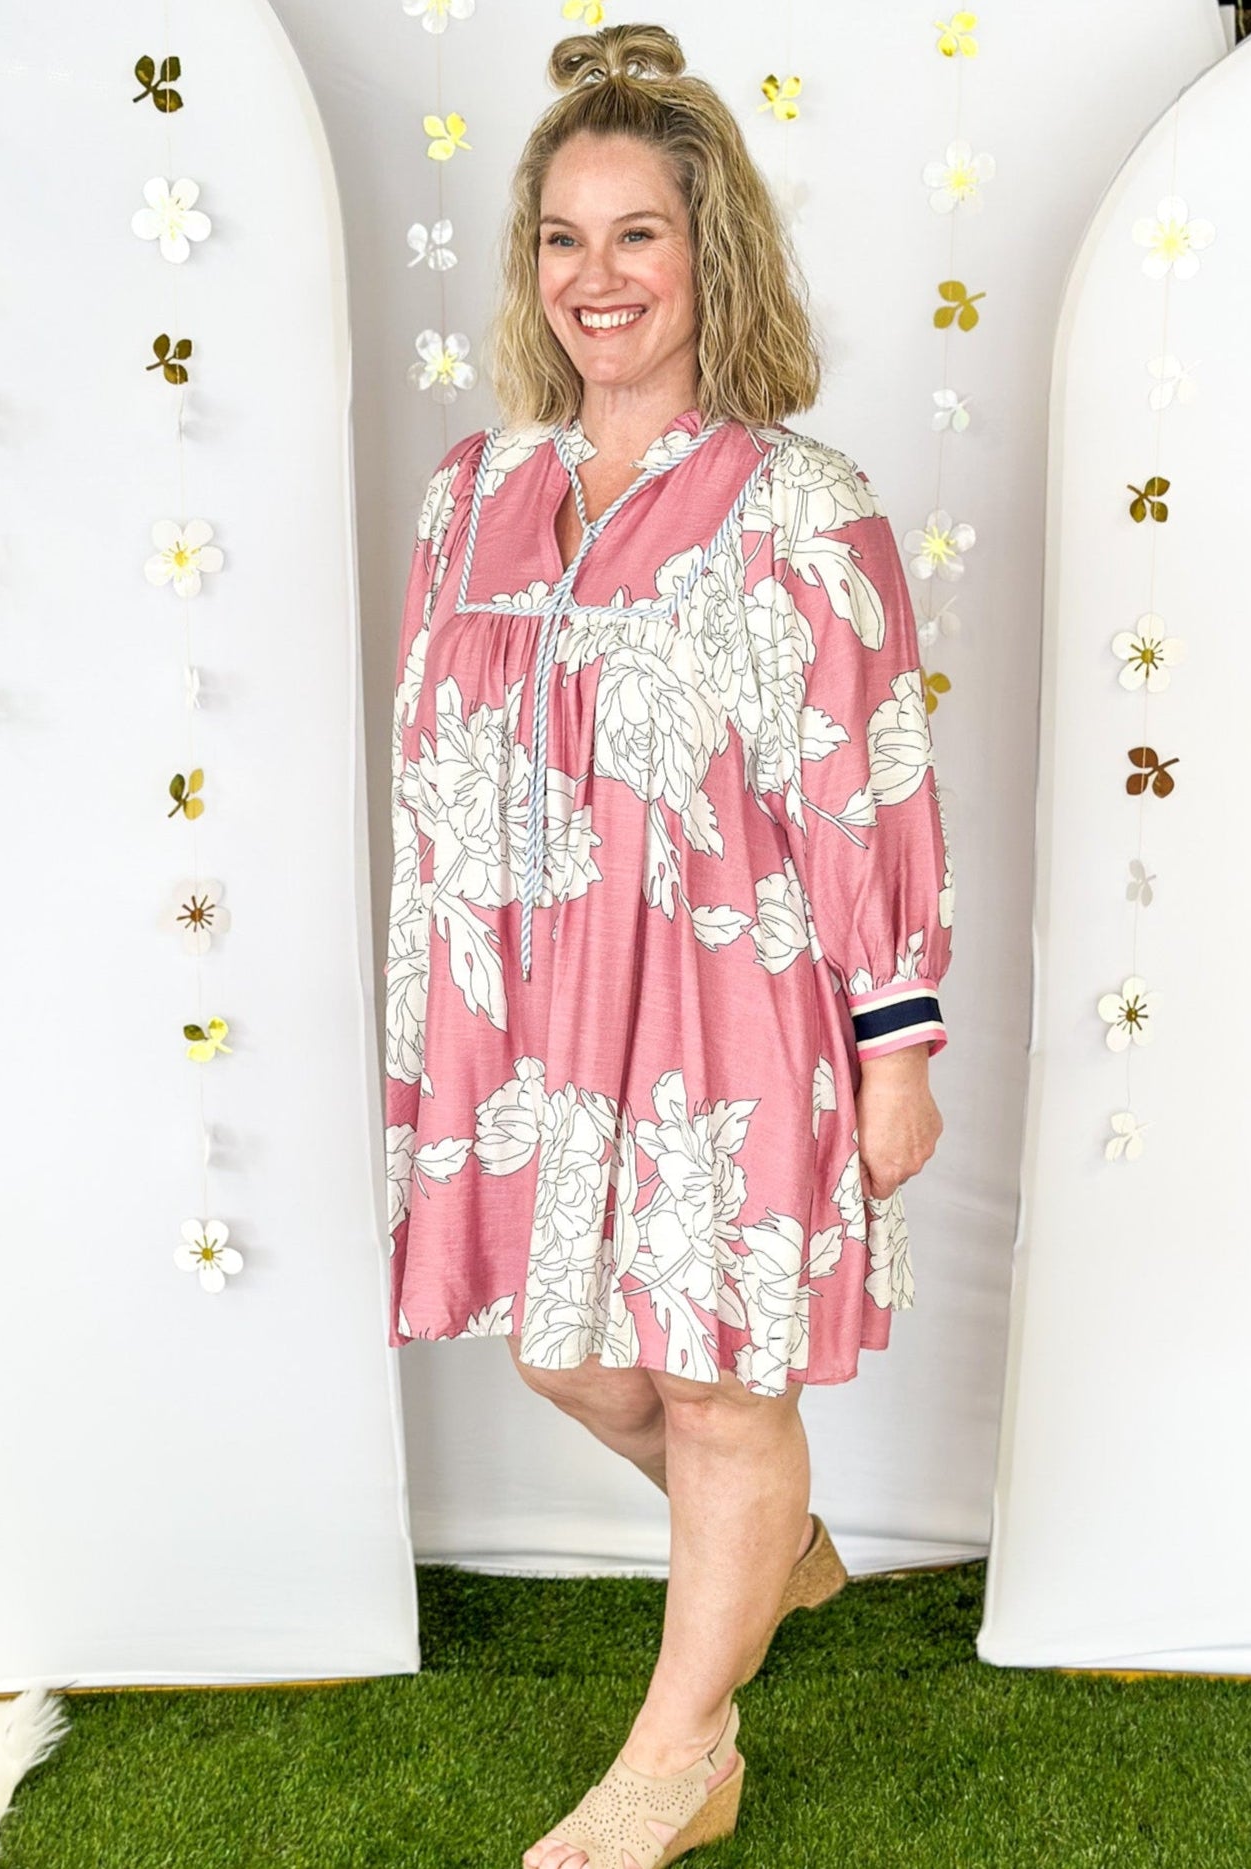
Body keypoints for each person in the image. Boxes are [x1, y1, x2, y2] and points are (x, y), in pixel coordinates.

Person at [383, 21, 954, 1867]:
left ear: (716, 257)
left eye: (640, 236)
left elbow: (868, 785)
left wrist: (894, 1047)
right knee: (567, 1349)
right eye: (563, 236)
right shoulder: (469, 494)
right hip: (527, 1013)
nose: (596, 279)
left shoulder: (804, 500)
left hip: (732, 1003)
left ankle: (677, 1750)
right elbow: (438, 764)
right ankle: (768, 1540)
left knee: (718, 1376)